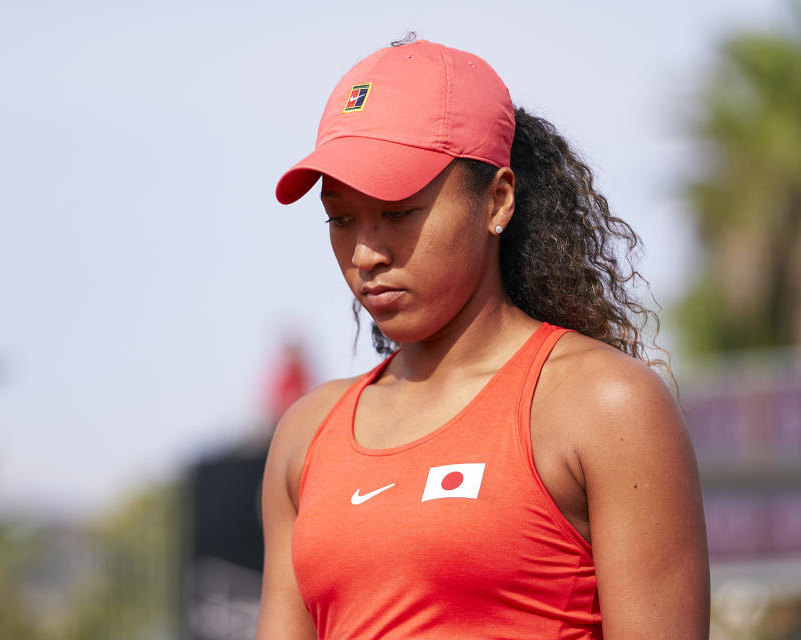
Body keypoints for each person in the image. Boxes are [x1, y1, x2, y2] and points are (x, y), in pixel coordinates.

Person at [256, 37, 709, 640]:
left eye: (397, 212)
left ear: (497, 200)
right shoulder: (305, 436)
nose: (365, 252)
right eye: (340, 218)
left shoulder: (602, 406)